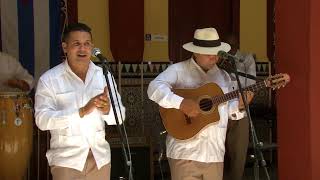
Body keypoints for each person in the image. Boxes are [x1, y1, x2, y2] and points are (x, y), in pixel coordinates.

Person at [148, 27, 252, 180]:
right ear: (195, 52)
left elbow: (225, 111)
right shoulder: (178, 70)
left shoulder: (224, 76)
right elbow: (154, 88)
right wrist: (181, 103)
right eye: (208, 53)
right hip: (185, 153)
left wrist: (240, 106)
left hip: (214, 154)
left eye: (216, 53)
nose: (214, 57)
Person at [34, 22, 126, 180]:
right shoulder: (49, 79)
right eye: (76, 44)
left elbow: (120, 116)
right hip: (67, 160)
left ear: (92, 47)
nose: (82, 49)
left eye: (87, 44)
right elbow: (42, 120)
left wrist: (107, 110)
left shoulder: (103, 75)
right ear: (65, 47)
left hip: (100, 159)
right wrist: (81, 111)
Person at [222, 34, 256, 180]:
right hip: (219, 111)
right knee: (217, 151)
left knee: (238, 151)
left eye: (232, 44)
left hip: (240, 109)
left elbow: (251, 84)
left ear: (237, 43)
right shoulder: (218, 59)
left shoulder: (246, 58)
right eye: (227, 45)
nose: (230, 47)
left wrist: (233, 72)